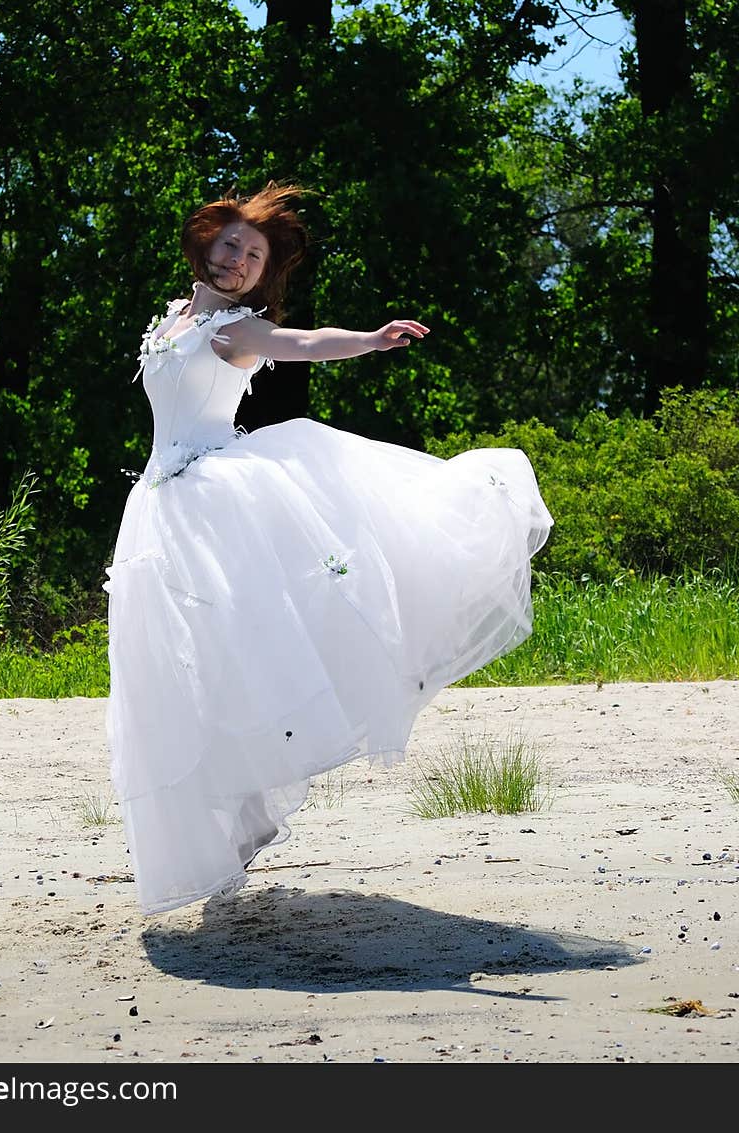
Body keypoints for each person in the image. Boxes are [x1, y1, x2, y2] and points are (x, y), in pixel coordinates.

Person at [104, 181, 552, 915]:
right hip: (162, 505)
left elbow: (302, 344)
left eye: (254, 256)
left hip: (220, 501)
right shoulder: (177, 319)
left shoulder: (235, 331)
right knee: (182, 668)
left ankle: (245, 811)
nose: (241, 261)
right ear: (206, 243)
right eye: (233, 246)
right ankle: (227, 816)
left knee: (239, 656)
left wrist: (371, 339)